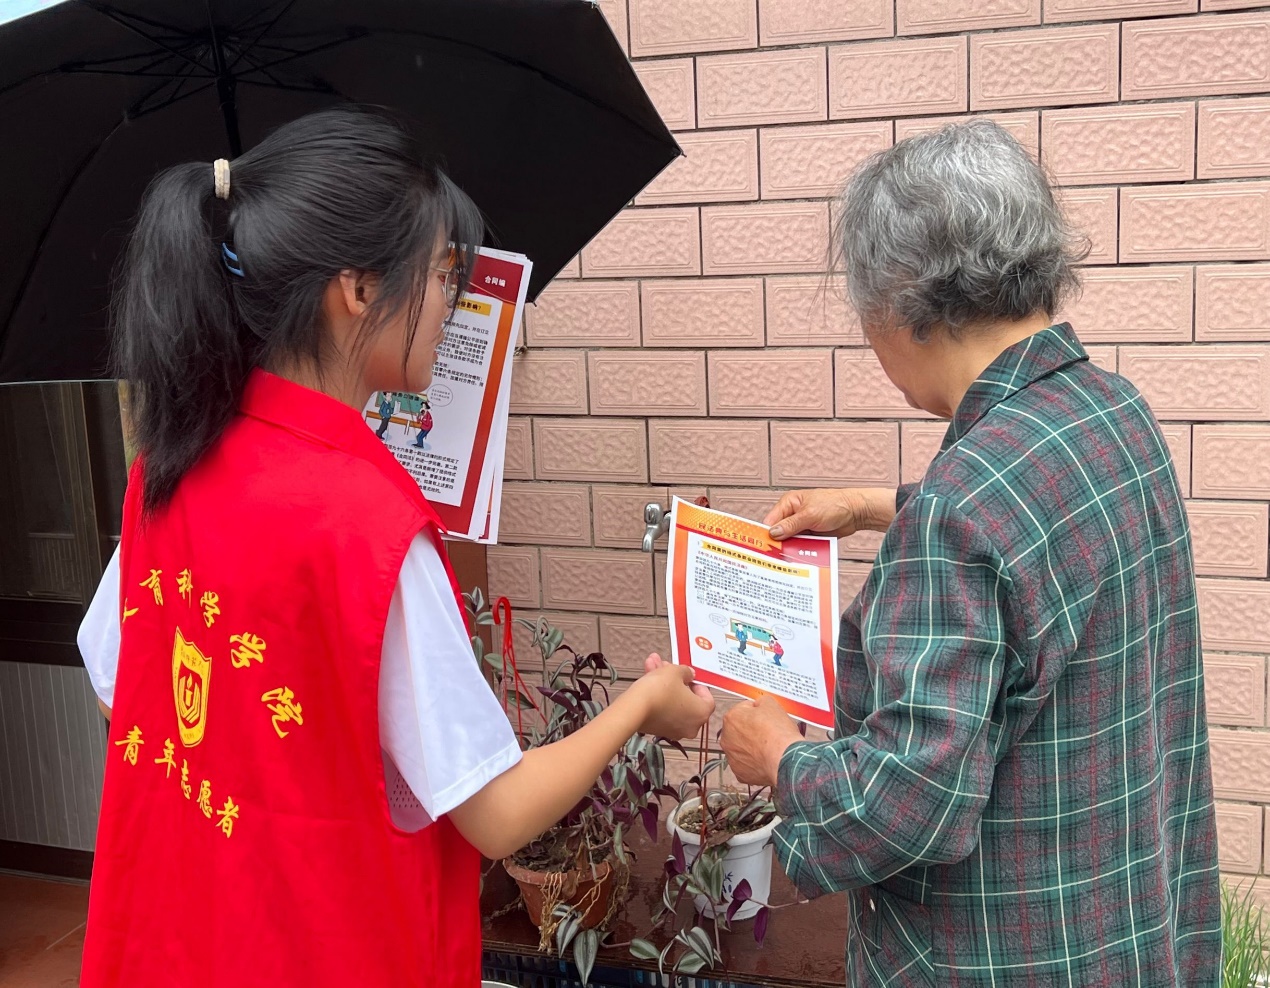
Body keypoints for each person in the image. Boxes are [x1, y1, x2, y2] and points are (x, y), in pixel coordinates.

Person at [75, 107, 714, 988]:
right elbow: (496, 814)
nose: (453, 303)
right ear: (359, 289)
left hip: (180, 944)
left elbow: (116, 689)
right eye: (444, 273)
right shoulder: (369, 525)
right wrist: (641, 706)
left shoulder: (166, 465)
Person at [719, 121, 1220, 986]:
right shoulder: (1112, 412)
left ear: (900, 302)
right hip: (1125, 918)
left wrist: (780, 757)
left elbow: (908, 803)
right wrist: (871, 505)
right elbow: (1039, 524)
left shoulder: (960, 511)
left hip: (1003, 952)